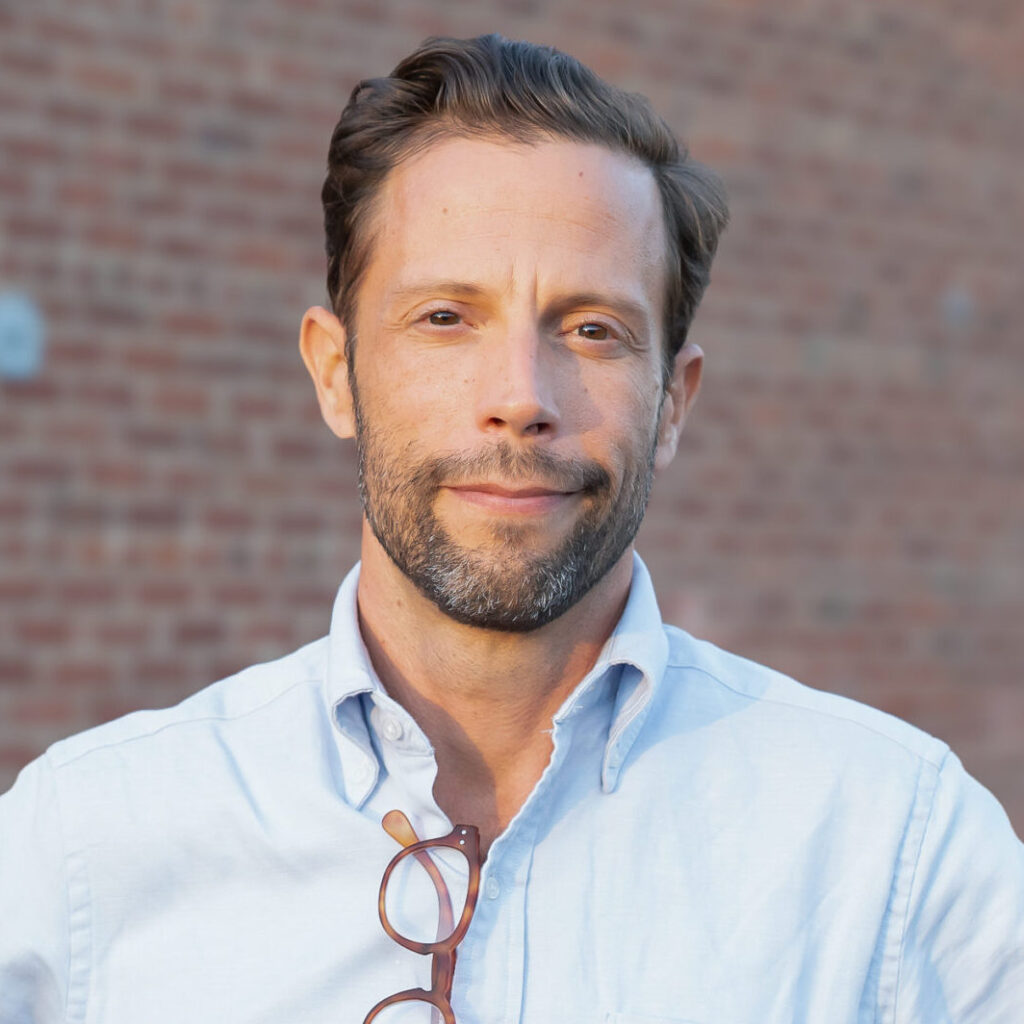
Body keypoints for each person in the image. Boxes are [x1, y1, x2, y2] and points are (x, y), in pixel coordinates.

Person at [1, 33, 1021, 1024]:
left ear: (673, 401)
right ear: (332, 371)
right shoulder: (79, 855)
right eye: (445, 317)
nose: (520, 398)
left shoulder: (896, 852)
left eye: (592, 330)